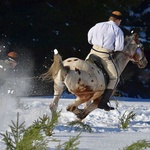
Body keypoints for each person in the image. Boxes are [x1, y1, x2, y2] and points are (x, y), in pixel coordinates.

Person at [86, 11, 124, 111]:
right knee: (115, 78)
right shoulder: (117, 30)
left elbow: (89, 39)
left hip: (92, 52)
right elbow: (119, 47)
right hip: (104, 55)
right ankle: (103, 102)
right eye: (120, 21)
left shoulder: (98, 25)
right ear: (118, 20)